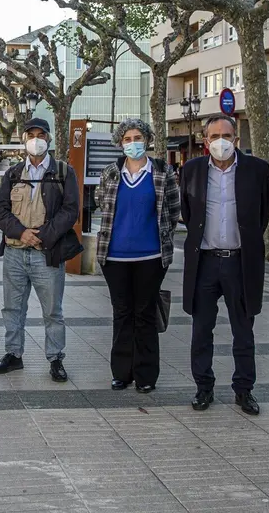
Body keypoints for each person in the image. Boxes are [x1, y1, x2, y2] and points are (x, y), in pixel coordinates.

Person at [180, 114, 269, 415]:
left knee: (243, 331)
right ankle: (203, 387)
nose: (222, 141)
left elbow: (262, 215)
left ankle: (244, 390)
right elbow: (187, 213)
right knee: (201, 330)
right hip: (204, 262)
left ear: (237, 139)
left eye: (227, 135)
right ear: (204, 141)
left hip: (240, 263)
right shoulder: (191, 170)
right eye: (215, 136)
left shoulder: (257, 170)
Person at [0, 117, 81, 382]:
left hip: (47, 253)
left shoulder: (64, 172)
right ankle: (13, 354)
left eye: (41, 134)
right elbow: (0, 210)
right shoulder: (13, 173)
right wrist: (22, 233)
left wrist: (43, 236)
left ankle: (55, 359)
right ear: (23, 139)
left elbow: (70, 210)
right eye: (31, 134)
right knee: (12, 308)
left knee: (52, 310)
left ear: (49, 139)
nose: (36, 139)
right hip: (15, 252)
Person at [95, 118, 180, 393]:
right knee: (122, 313)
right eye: (128, 139)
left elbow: (173, 209)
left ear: (147, 140)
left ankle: (146, 376)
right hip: (115, 257)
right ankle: (121, 372)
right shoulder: (109, 173)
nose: (133, 143)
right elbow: (101, 204)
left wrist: (163, 238)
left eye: (138, 138)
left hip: (151, 258)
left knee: (144, 315)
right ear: (120, 143)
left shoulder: (162, 172)